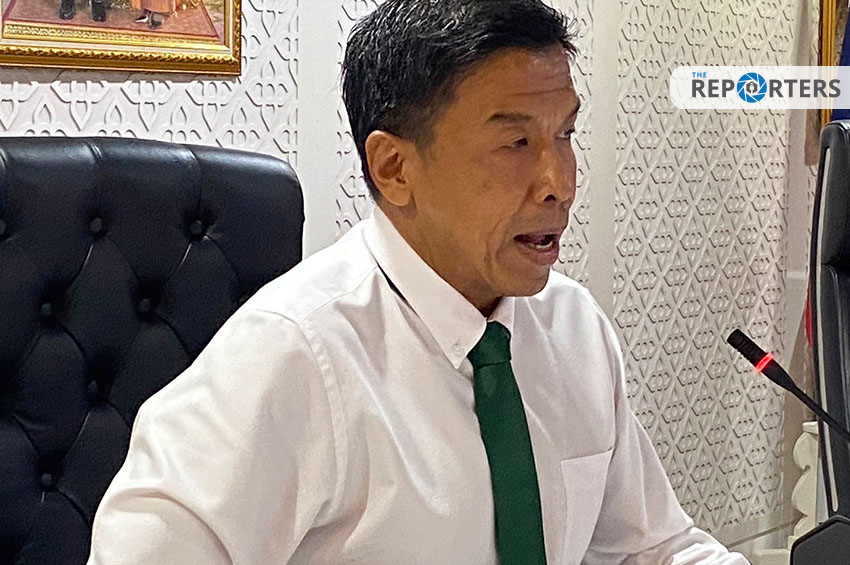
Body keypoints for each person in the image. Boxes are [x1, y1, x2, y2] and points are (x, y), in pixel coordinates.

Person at [88, 1, 751, 563]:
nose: (560, 182)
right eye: (516, 143)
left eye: (566, 134)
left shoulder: (573, 326)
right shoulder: (293, 354)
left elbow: (649, 547)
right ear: (395, 168)